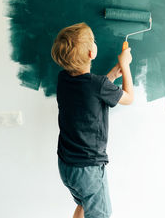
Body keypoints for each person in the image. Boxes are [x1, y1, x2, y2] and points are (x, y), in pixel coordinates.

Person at [51, 22, 134, 218]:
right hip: (88, 169)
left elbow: (90, 93)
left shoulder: (63, 79)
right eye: (94, 41)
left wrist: (112, 75)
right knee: (100, 214)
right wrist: (125, 65)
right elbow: (129, 98)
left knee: (84, 204)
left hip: (67, 165)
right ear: (91, 53)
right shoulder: (98, 85)